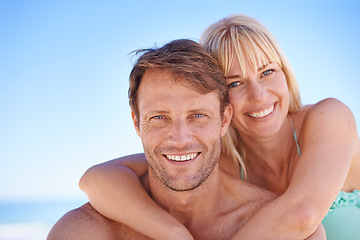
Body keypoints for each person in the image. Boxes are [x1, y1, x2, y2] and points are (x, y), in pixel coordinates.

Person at [79, 15, 360, 239]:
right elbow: (96, 179)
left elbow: (303, 215)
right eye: (235, 83)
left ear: (286, 73)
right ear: (219, 101)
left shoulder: (327, 118)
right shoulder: (217, 157)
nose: (259, 95)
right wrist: (172, 232)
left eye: (267, 72)